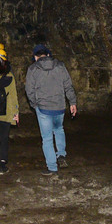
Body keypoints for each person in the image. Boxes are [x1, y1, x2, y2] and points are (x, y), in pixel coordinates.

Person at [25, 43, 77, 176]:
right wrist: (72, 102)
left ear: (36, 57)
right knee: (59, 130)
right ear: (48, 54)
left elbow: (29, 90)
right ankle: (61, 155)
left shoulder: (33, 69)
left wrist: (34, 104)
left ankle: (52, 167)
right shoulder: (60, 66)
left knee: (47, 138)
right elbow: (68, 85)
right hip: (59, 107)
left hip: (43, 108)